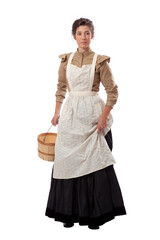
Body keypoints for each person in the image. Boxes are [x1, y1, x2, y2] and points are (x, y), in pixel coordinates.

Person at [45, 18, 126, 230]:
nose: (84, 37)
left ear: (92, 36)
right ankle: (68, 213)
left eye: (87, 33)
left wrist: (103, 117)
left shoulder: (100, 61)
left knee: (94, 163)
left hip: (93, 116)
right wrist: (56, 113)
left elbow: (112, 92)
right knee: (68, 161)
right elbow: (61, 88)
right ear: (74, 36)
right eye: (80, 33)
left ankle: (94, 216)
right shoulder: (65, 60)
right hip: (71, 116)